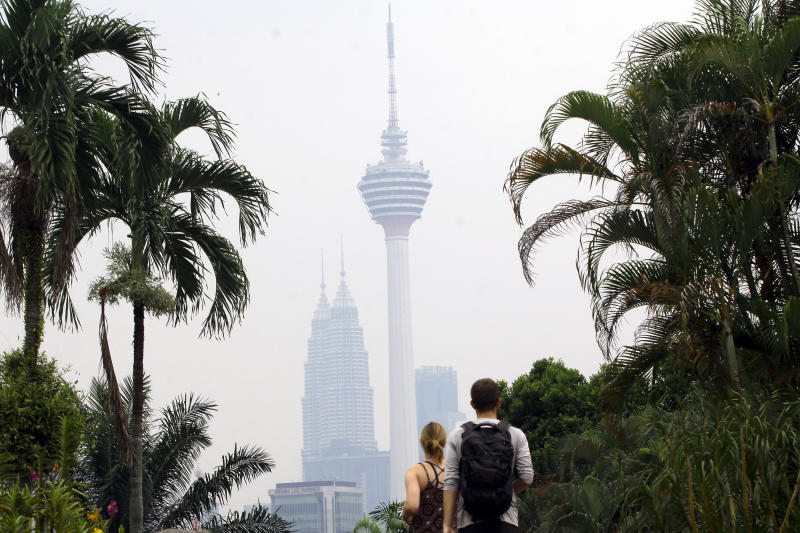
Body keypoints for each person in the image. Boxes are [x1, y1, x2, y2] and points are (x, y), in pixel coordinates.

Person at [443, 378, 533, 533]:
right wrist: (503, 491)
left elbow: (451, 481)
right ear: (499, 402)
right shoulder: (516, 435)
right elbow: (527, 478)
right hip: (506, 522)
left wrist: (447, 524)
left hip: (469, 523)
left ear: (472, 404)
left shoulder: (457, 436)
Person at [402, 422, 448, 532]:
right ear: (445, 442)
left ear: (422, 443)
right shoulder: (456, 469)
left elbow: (412, 506)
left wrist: (405, 514)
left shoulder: (415, 472)